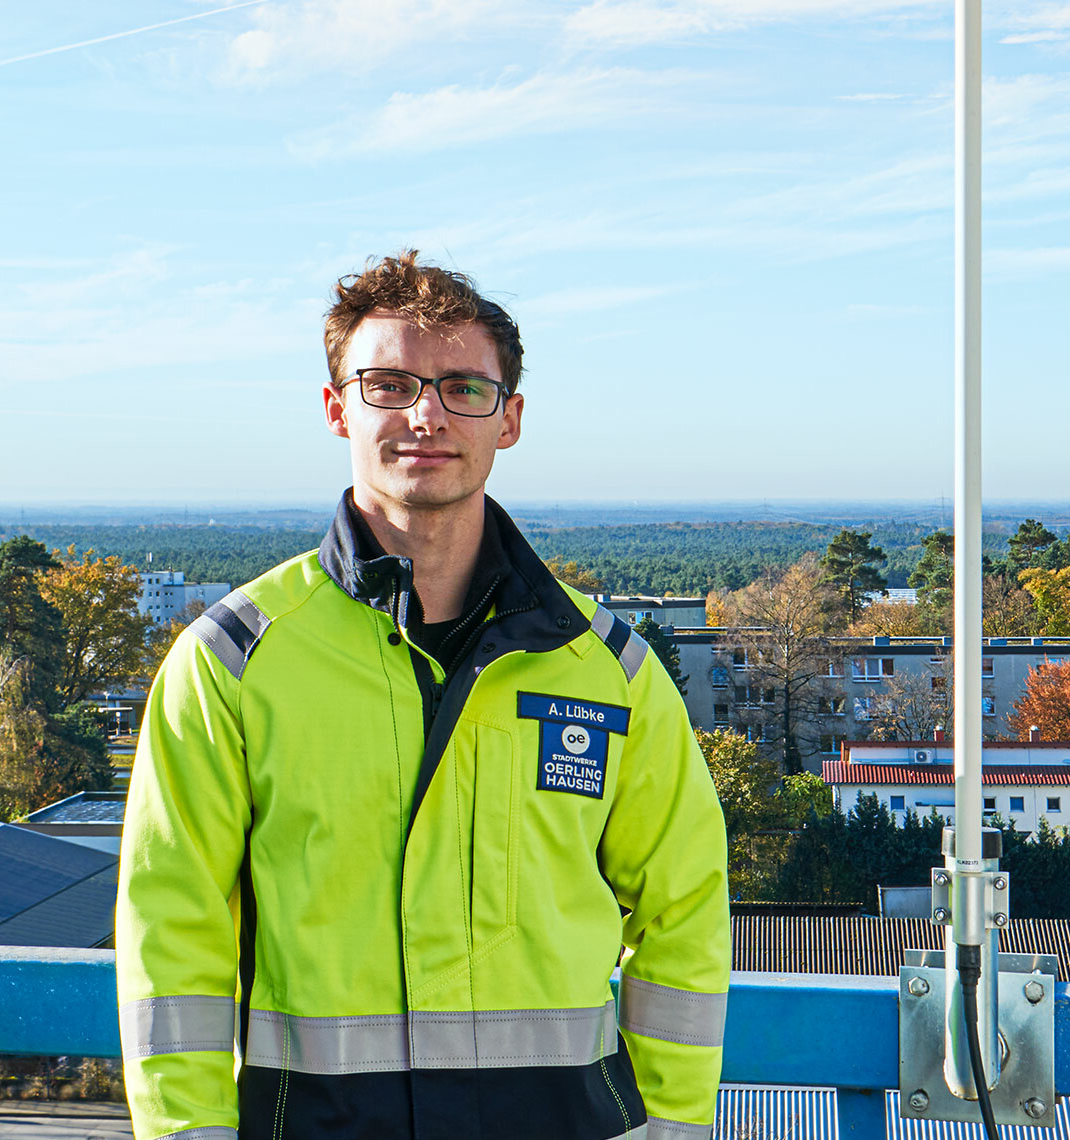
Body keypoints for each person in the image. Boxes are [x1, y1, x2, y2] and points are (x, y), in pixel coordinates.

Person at [116, 251, 730, 1140]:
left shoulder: (609, 671)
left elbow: (684, 912)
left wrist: (670, 1127)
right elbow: (171, 934)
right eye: (387, 384)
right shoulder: (234, 660)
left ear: (508, 419)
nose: (425, 415)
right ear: (336, 409)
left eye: (461, 388)